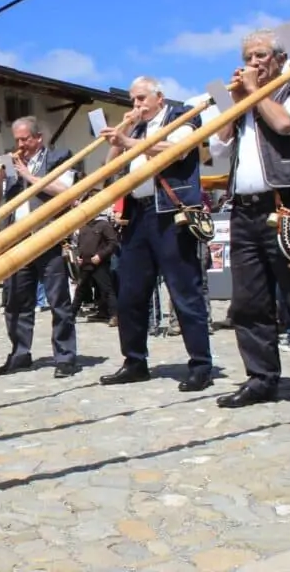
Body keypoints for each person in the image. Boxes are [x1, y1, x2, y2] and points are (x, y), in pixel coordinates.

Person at [206, 29, 290, 417]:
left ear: (278, 59)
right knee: (249, 302)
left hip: (287, 203)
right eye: (248, 56)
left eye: (260, 55)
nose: (253, 63)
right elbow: (219, 145)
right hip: (244, 209)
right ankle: (260, 377)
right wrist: (233, 101)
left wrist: (254, 93)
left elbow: (285, 125)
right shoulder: (244, 97)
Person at [97, 76, 213, 392]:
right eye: (133, 100)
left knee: (184, 291)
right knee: (130, 293)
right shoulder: (133, 129)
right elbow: (110, 166)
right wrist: (121, 133)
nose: (135, 106)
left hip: (170, 214)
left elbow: (176, 149)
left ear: (159, 96)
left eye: (140, 99)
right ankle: (134, 361)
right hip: (137, 214)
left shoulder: (182, 114)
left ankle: (201, 365)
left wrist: (131, 143)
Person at [0, 116, 80, 378]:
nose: (20, 144)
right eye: (16, 140)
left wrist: (28, 174)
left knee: (58, 301)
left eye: (25, 139)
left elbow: (66, 191)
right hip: (18, 240)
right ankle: (19, 353)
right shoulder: (12, 165)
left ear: (39, 138)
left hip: (49, 237)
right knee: (15, 301)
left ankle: (65, 356)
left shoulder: (60, 157)